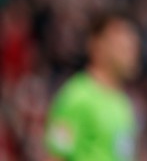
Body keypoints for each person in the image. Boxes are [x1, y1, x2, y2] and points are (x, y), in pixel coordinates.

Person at [44, 10, 141, 161]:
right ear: (96, 45)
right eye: (121, 43)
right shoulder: (76, 96)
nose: (130, 51)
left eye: (132, 45)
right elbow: (55, 156)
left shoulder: (124, 103)